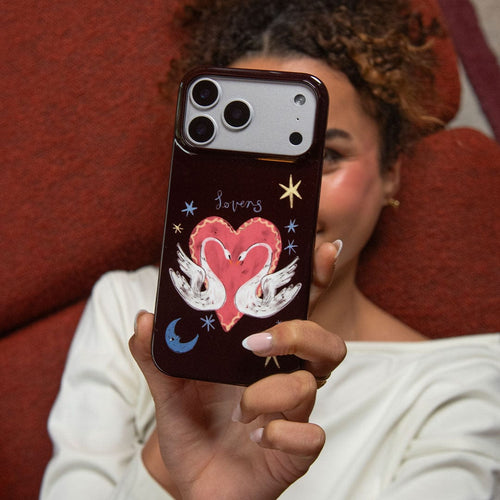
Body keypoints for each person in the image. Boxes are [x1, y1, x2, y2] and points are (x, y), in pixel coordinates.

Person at [40, 0, 500, 498]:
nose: (284, 201)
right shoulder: (129, 312)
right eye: (244, 158)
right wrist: (178, 467)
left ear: (391, 172)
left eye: (326, 155)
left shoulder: (461, 383)